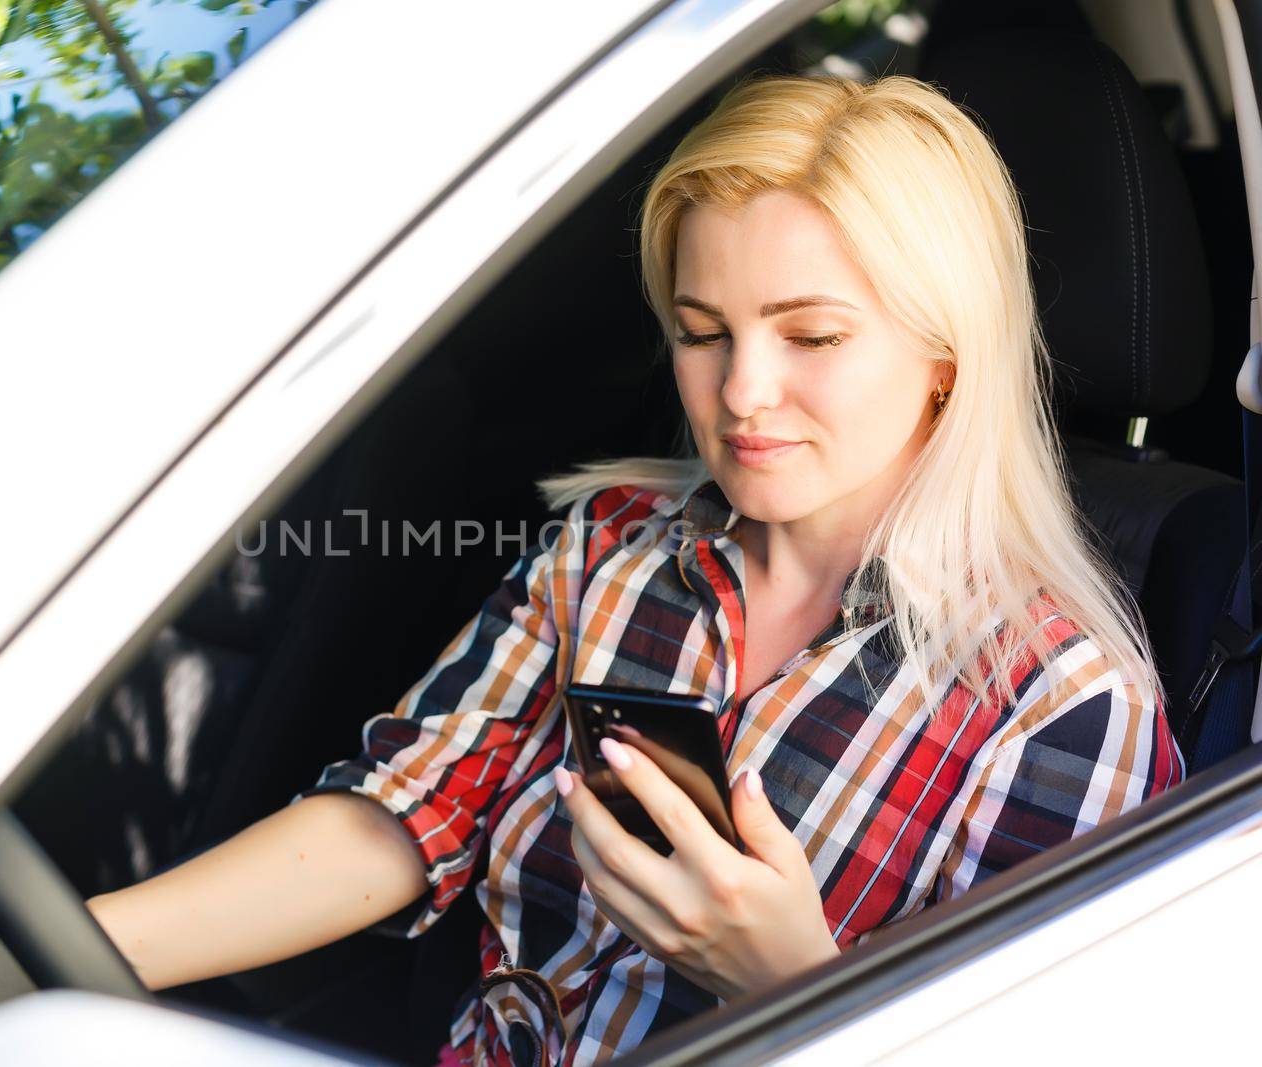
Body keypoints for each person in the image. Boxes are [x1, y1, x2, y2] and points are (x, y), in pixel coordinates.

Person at [85, 71, 1187, 1066]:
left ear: (945, 358)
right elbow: (405, 813)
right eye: (704, 331)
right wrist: (76, 953)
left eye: (811, 337)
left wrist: (796, 983)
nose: (743, 392)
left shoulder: (1061, 710)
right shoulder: (614, 546)